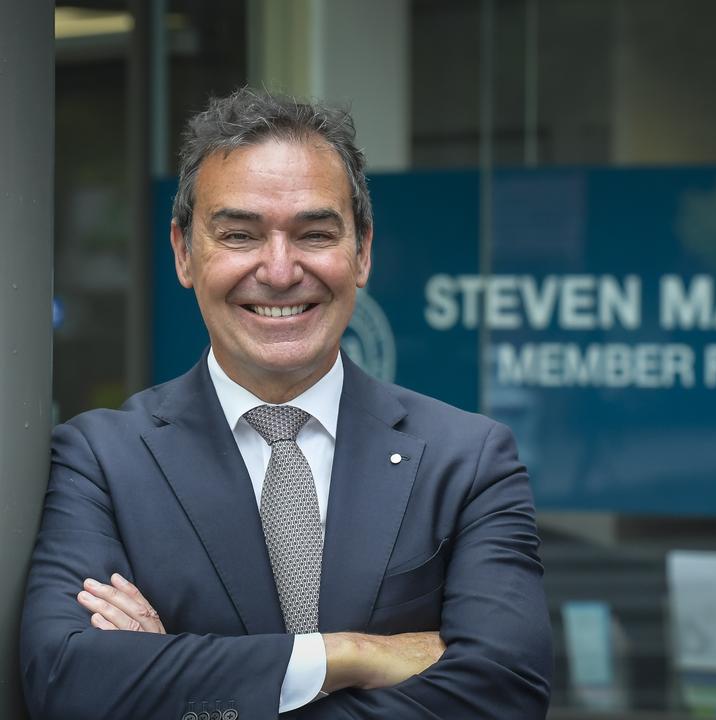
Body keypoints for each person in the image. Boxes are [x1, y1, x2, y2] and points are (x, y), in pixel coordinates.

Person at [19, 88, 552, 719]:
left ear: (363, 252)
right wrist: (348, 655)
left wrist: (176, 676)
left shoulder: (467, 461)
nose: (278, 270)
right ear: (185, 252)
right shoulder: (99, 460)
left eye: (315, 233)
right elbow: (67, 679)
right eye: (240, 234)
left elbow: (506, 694)